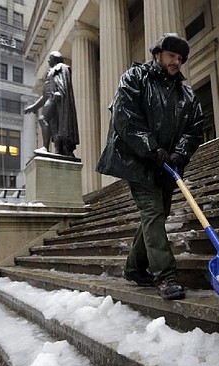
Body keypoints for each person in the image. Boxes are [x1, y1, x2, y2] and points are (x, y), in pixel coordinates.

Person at [96, 33, 204, 300]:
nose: (176, 61)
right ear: (157, 54)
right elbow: (126, 117)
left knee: (158, 214)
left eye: (180, 58)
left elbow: (194, 128)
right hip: (138, 162)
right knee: (154, 211)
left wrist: (180, 154)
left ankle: (134, 267)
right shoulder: (135, 78)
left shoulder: (186, 93)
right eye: (171, 55)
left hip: (167, 165)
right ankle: (165, 276)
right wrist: (151, 148)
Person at [24, 51, 80, 157]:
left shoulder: (61, 67)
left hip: (55, 99)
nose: (48, 60)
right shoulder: (51, 72)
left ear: (55, 59)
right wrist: (34, 106)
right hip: (51, 98)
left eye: (50, 58)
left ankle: (45, 147)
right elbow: (45, 95)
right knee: (55, 126)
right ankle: (59, 149)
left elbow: (64, 83)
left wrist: (59, 92)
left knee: (43, 119)